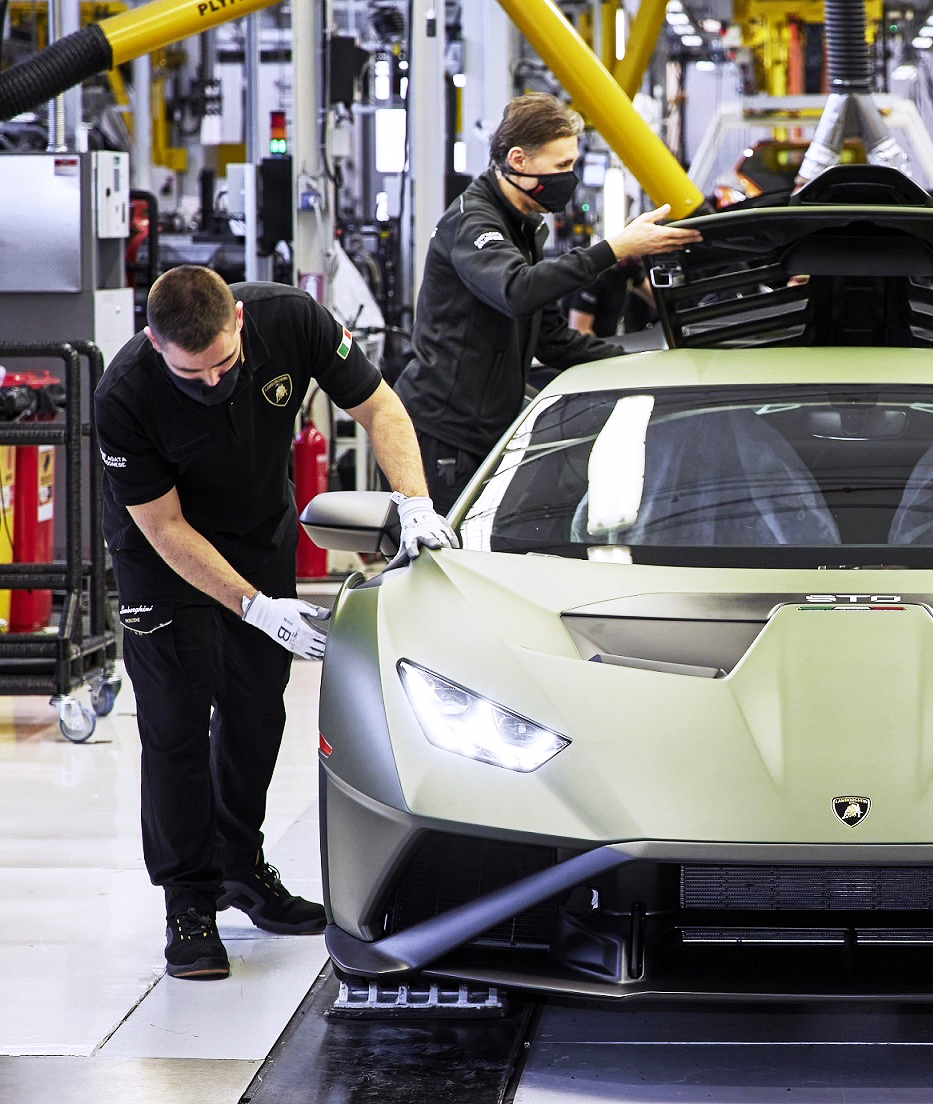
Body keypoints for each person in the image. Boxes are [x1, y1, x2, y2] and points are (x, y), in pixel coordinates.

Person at [94, 265, 457, 980]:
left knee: (257, 710)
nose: (211, 382)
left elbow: (381, 407)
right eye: (191, 373)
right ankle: (188, 901)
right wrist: (257, 608)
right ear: (154, 343)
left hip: (258, 536)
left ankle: (241, 866)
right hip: (162, 560)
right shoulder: (124, 394)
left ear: (238, 320)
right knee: (174, 725)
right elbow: (165, 528)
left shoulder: (293, 319)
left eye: (223, 364)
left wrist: (414, 503)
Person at [396, 92, 701, 514]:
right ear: (518, 160)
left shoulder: (525, 227)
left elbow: (553, 340)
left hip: (489, 433)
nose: (569, 177)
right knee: (452, 550)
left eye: (572, 165)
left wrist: (647, 364)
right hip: (446, 436)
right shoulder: (474, 221)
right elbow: (516, 291)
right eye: (561, 166)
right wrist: (614, 249)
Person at [568, 257, 656, 338]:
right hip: (595, 342)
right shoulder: (594, 278)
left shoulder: (629, 270)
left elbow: (658, 302)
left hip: (615, 337)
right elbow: (580, 331)